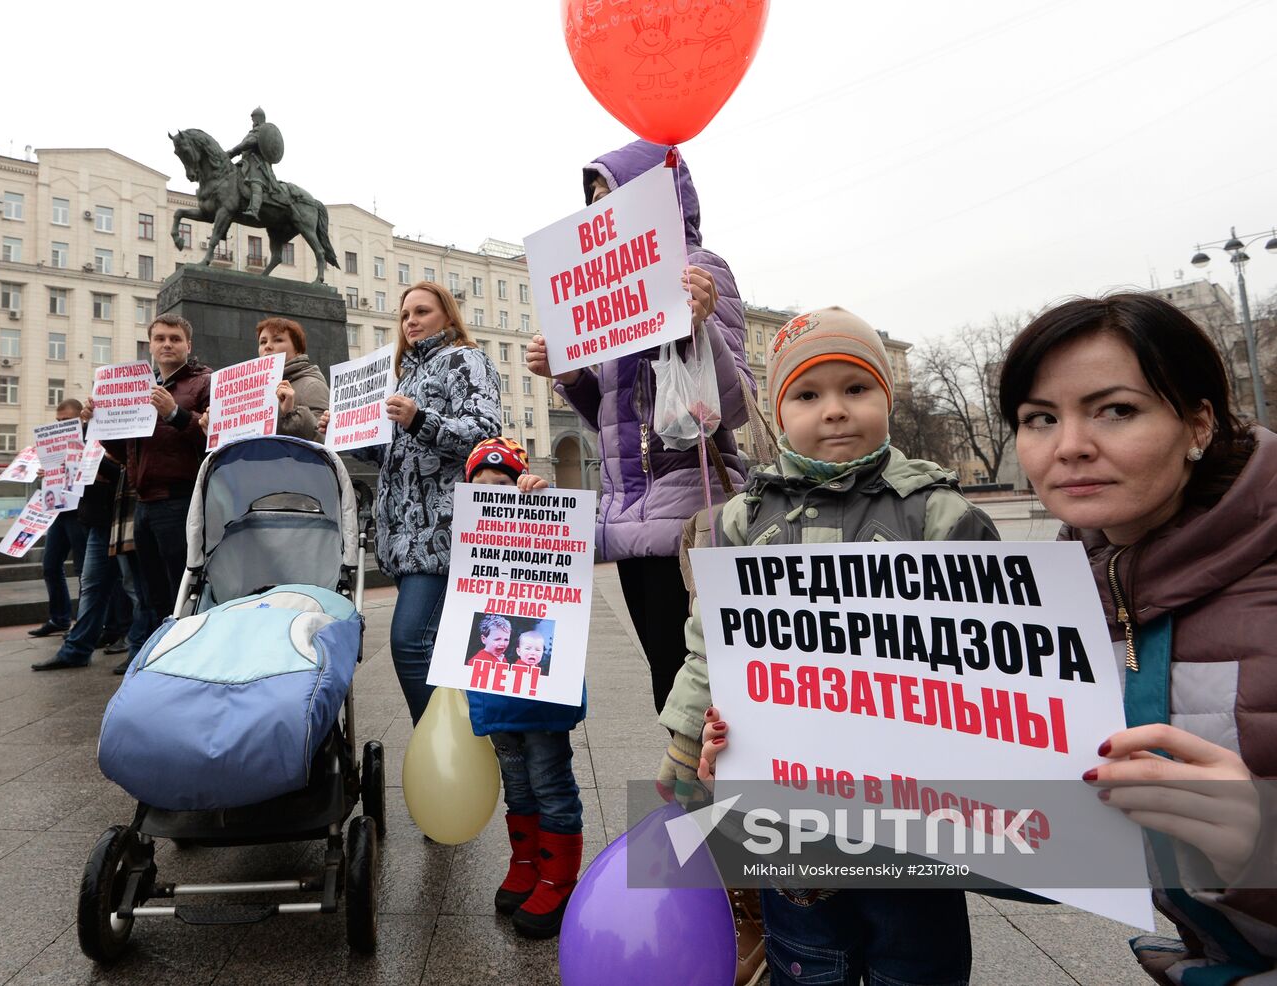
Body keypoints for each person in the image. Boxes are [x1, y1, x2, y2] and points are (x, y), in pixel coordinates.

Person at [688, 308, 1000, 986]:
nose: (833, 411)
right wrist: (686, 742)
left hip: (912, 816)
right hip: (788, 811)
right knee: (809, 958)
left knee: (916, 958)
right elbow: (708, 644)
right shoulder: (744, 520)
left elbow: (997, 653)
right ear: (777, 412)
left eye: (856, 389)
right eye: (808, 394)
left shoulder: (939, 514)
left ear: (887, 399)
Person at [996, 293, 1276, 984]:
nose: (1070, 446)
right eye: (1040, 419)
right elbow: (1039, 841)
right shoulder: (1053, 607)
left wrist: (1264, 839)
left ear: (1198, 423)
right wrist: (789, 761)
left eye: (1116, 409)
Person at [526, 139, 754, 716]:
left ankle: (734, 804)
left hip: (690, 519)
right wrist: (572, 376)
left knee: (715, 695)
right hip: (630, 522)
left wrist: (697, 326)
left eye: (608, 195)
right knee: (668, 693)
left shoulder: (698, 271)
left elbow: (733, 407)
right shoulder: (603, 288)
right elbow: (619, 421)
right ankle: (692, 803)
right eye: (591, 200)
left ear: (647, 197)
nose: (596, 210)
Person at [317, 281, 501, 723]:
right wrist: (348, 434)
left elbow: (485, 433)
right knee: (439, 647)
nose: (411, 322)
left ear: (448, 317)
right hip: (406, 537)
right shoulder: (407, 375)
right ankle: (468, 746)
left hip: (445, 532)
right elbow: (398, 453)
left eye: (421, 312)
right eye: (404, 316)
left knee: (410, 641)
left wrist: (421, 418)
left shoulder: (465, 360)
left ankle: (445, 747)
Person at [463, 437, 584, 939]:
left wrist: (543, 497)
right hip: (496, 694)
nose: (494, 494)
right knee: (517, 784)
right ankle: (526, 863)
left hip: (542, 693)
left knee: (550, 781)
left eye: (504, 485)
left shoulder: (539, 514)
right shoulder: (468, 536)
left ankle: (559, 876)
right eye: (482, 487)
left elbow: (568, 544)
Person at [85, 313, 211, 672]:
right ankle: (163, 657)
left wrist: (174, 414)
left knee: (182, 587)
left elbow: (213, 440)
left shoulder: (203, 383)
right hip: (143, 503)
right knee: (151, 591)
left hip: (180, 499)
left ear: (188, 346)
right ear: (151, 345)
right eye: (160, 339)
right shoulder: (138, 387)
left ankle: (192, 660)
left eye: (175, 338)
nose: (167, 344)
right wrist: (97, 423)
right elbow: (124, 450)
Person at [30, 442, 129, 671]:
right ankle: (76, 650)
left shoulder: (131, 427)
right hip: (98, 520)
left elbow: (126, 472)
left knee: (133, 587)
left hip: (125, 515)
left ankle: (136, 646)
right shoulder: (89, 432)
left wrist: (93, 462)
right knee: (92, 585)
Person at [202, 317, 328, 440]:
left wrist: (290, 413)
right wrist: (216, 428)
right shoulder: (253, 389)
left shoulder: (312, 385)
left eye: (278, 340)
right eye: (263, 342)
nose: (267, 346)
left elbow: (323, 439)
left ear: (298, 350)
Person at [28, 399, 89, 638]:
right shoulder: (53, 443)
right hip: (59, 509)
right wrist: (46, 472)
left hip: (80, 510)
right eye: (58, 421)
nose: (61, 426)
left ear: (80, 419)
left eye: (67, 421)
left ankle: (86, 624)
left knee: (85, 570)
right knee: (50, 565)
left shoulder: (89, 439)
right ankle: (60, 618)